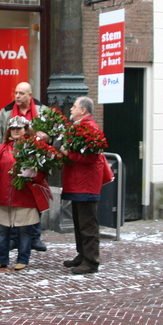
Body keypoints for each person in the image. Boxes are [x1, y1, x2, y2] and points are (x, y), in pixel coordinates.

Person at [0, 116, 52, 271]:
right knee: (2, 230)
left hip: (24, 195)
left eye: (19, 128)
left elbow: (42, 172)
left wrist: (34, 174)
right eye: (13, 128)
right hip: (5, 196)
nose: (15, 131)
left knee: (24, 230)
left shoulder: (33, 147)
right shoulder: (3, 148)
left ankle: (23, 258)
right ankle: (1, 258)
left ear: (25, 130)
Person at [0, 81, 49, 253]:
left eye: (21, 93)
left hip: (34, 162)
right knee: (13, 200)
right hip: (10, 160)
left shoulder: (42, 111)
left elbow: (52, 136)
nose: (17, 96)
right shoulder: (6, 112)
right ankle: (13, 238)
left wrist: (47, 138)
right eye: (16, 93)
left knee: (33, 199)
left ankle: (34, 237)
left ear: (30, 95)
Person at [60, 96, 106, 275]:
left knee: (88, 224)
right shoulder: (78, 127)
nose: (71, 109)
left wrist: (67, 152)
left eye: (74, 106)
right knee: (80, 223)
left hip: (85, 184)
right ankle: (83, 255)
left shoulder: (90, 128)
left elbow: (91, 156)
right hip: (77, 182)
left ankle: (91, 261)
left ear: (83, 111)